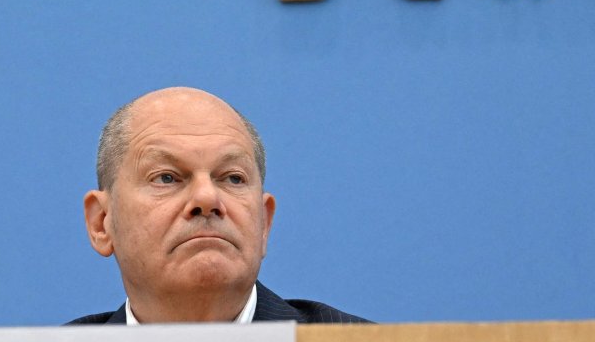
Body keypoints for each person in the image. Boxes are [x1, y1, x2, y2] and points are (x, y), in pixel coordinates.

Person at [68, 87, 370, 324]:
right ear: (101, 222)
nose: (207, 199)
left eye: (233, 179)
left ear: (264, 223)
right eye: (167, 178)